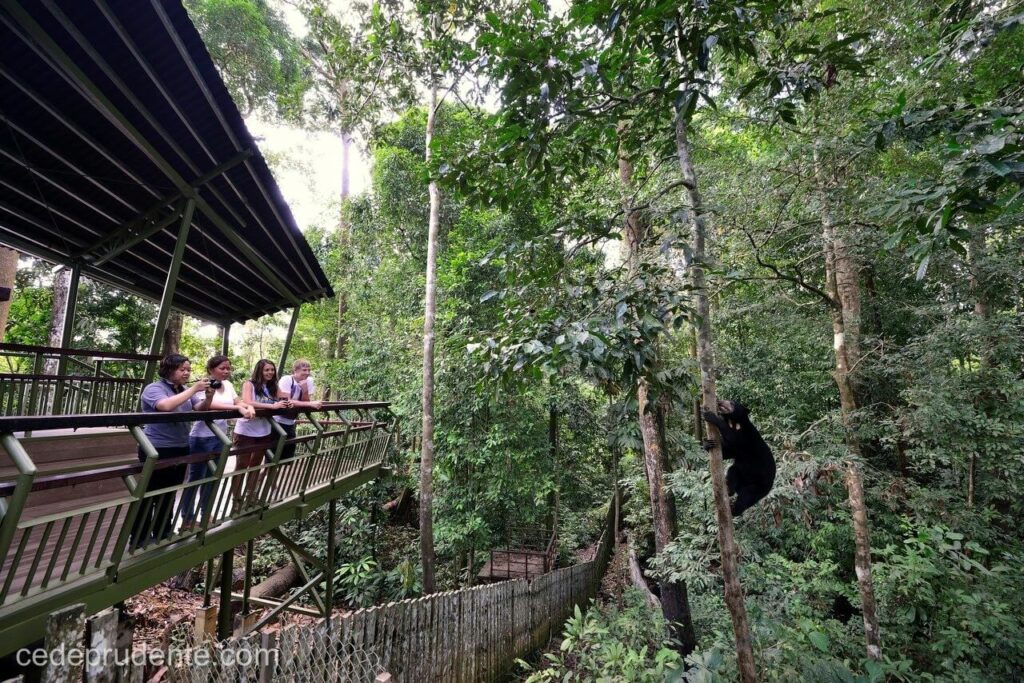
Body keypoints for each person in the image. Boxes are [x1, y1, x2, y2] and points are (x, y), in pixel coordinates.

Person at [131, 354, 209, 549]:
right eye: (182, 369)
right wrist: (193, 389)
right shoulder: (154, 388)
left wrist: (208, 396)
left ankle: (163, 531)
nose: (186, 373)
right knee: (150, 493)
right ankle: (139, 537)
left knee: (169, 492)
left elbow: (199, 408)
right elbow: (165, 406)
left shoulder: (181, 390)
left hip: (180, 446)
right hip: (156, 448)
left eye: (188, 370)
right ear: (169, 370)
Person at [179, 355, 255, 530]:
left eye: (228, 368)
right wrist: (236, 408)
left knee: (212, 478)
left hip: (219, 437)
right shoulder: (202, 385)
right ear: (211, 369)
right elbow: (206, 406)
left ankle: (206, 513)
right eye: (222, 368)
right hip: (201, 437)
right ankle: (187, 518)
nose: (226, 371)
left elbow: (238, 401)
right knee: (195, 479)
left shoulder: (228, 385)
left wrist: (247, 406)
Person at [232, 358, 290, 506]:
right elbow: (247, 401)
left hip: (264, 430)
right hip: (246, 430)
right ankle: (236, 499)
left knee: (256, 464)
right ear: (260, 370)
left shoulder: (272, 386)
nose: (270, 373)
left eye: (272, 370)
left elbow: (283, 397)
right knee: (242, 464)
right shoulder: (249, 384)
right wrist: (272, 406)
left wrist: (286, 402)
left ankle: (250, 496)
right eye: (266, 370)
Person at [274, 358, 323, 460]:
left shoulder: (309, 381)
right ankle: (263, 475)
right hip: (277, 422)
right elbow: (287, 401)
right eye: (304, 370)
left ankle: (276, 475)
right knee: (273, 458)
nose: (307, 373)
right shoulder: (286, 379)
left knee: (286, 459)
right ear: (295, 371)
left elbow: (306, 401)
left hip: (291, 422)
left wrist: (305, 390)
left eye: (309, 370)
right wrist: (310, 404)